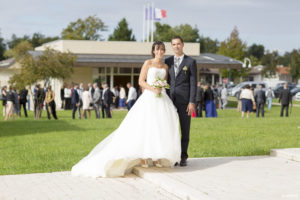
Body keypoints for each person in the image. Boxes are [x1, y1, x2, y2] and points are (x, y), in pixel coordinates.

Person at [72, 41, 180, 178]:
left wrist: (161, 88)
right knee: (145, 125)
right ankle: (143, 156)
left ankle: (157, 155)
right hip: (149, 96)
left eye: (162, 49)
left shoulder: (165, 66)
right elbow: (141, 81)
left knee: (159, 125)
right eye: (158, 49)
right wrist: (153, 89)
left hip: (161, 97)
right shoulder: (148, 63)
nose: (160, 52)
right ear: (153, 51)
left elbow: (164, 82)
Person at [165, 36, 197, 166]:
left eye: (178, 44)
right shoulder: (167, 61)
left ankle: (183, 156)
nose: (176, 46)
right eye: (174, 44)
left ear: (182, 45)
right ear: (171, 46)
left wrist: (192, 102)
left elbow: (193, 83)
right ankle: (173, 156)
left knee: (185, 129)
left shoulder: (190, 62)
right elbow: (166, 80)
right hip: (169, 100)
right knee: (170, 130)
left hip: (185, 101)